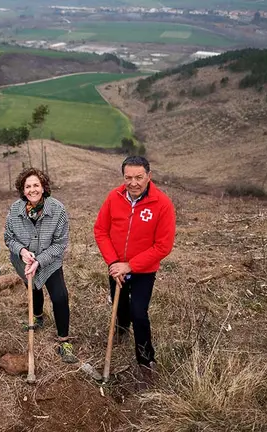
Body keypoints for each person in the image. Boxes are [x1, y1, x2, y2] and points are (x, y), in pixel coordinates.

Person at [93, 156, 176, 383]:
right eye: (128, 177)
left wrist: (130, 265)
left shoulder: (162, 203)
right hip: (116, 267)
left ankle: (146, 361)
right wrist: (113, 263)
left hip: (143, 270)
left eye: (139, 177)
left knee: (139, 312)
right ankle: (121, 330)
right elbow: (101, 230)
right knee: (119, 303)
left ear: (149, 176)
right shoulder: (114, 197)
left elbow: (163, 245)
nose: (133, 183)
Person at [4, 168, 78, 363]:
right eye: (27, 186)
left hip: (49, 262)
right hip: (24, 261)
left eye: (36, 185)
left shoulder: (58, 210)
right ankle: (37, 317)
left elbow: (60, 244)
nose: (32, 190)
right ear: (23, 190)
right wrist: (22, 251)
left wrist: (40, 260)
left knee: (60, 297)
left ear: (43, 187)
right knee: (33, 288)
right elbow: (9, 238)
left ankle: (64, 340)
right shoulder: (14, 210)